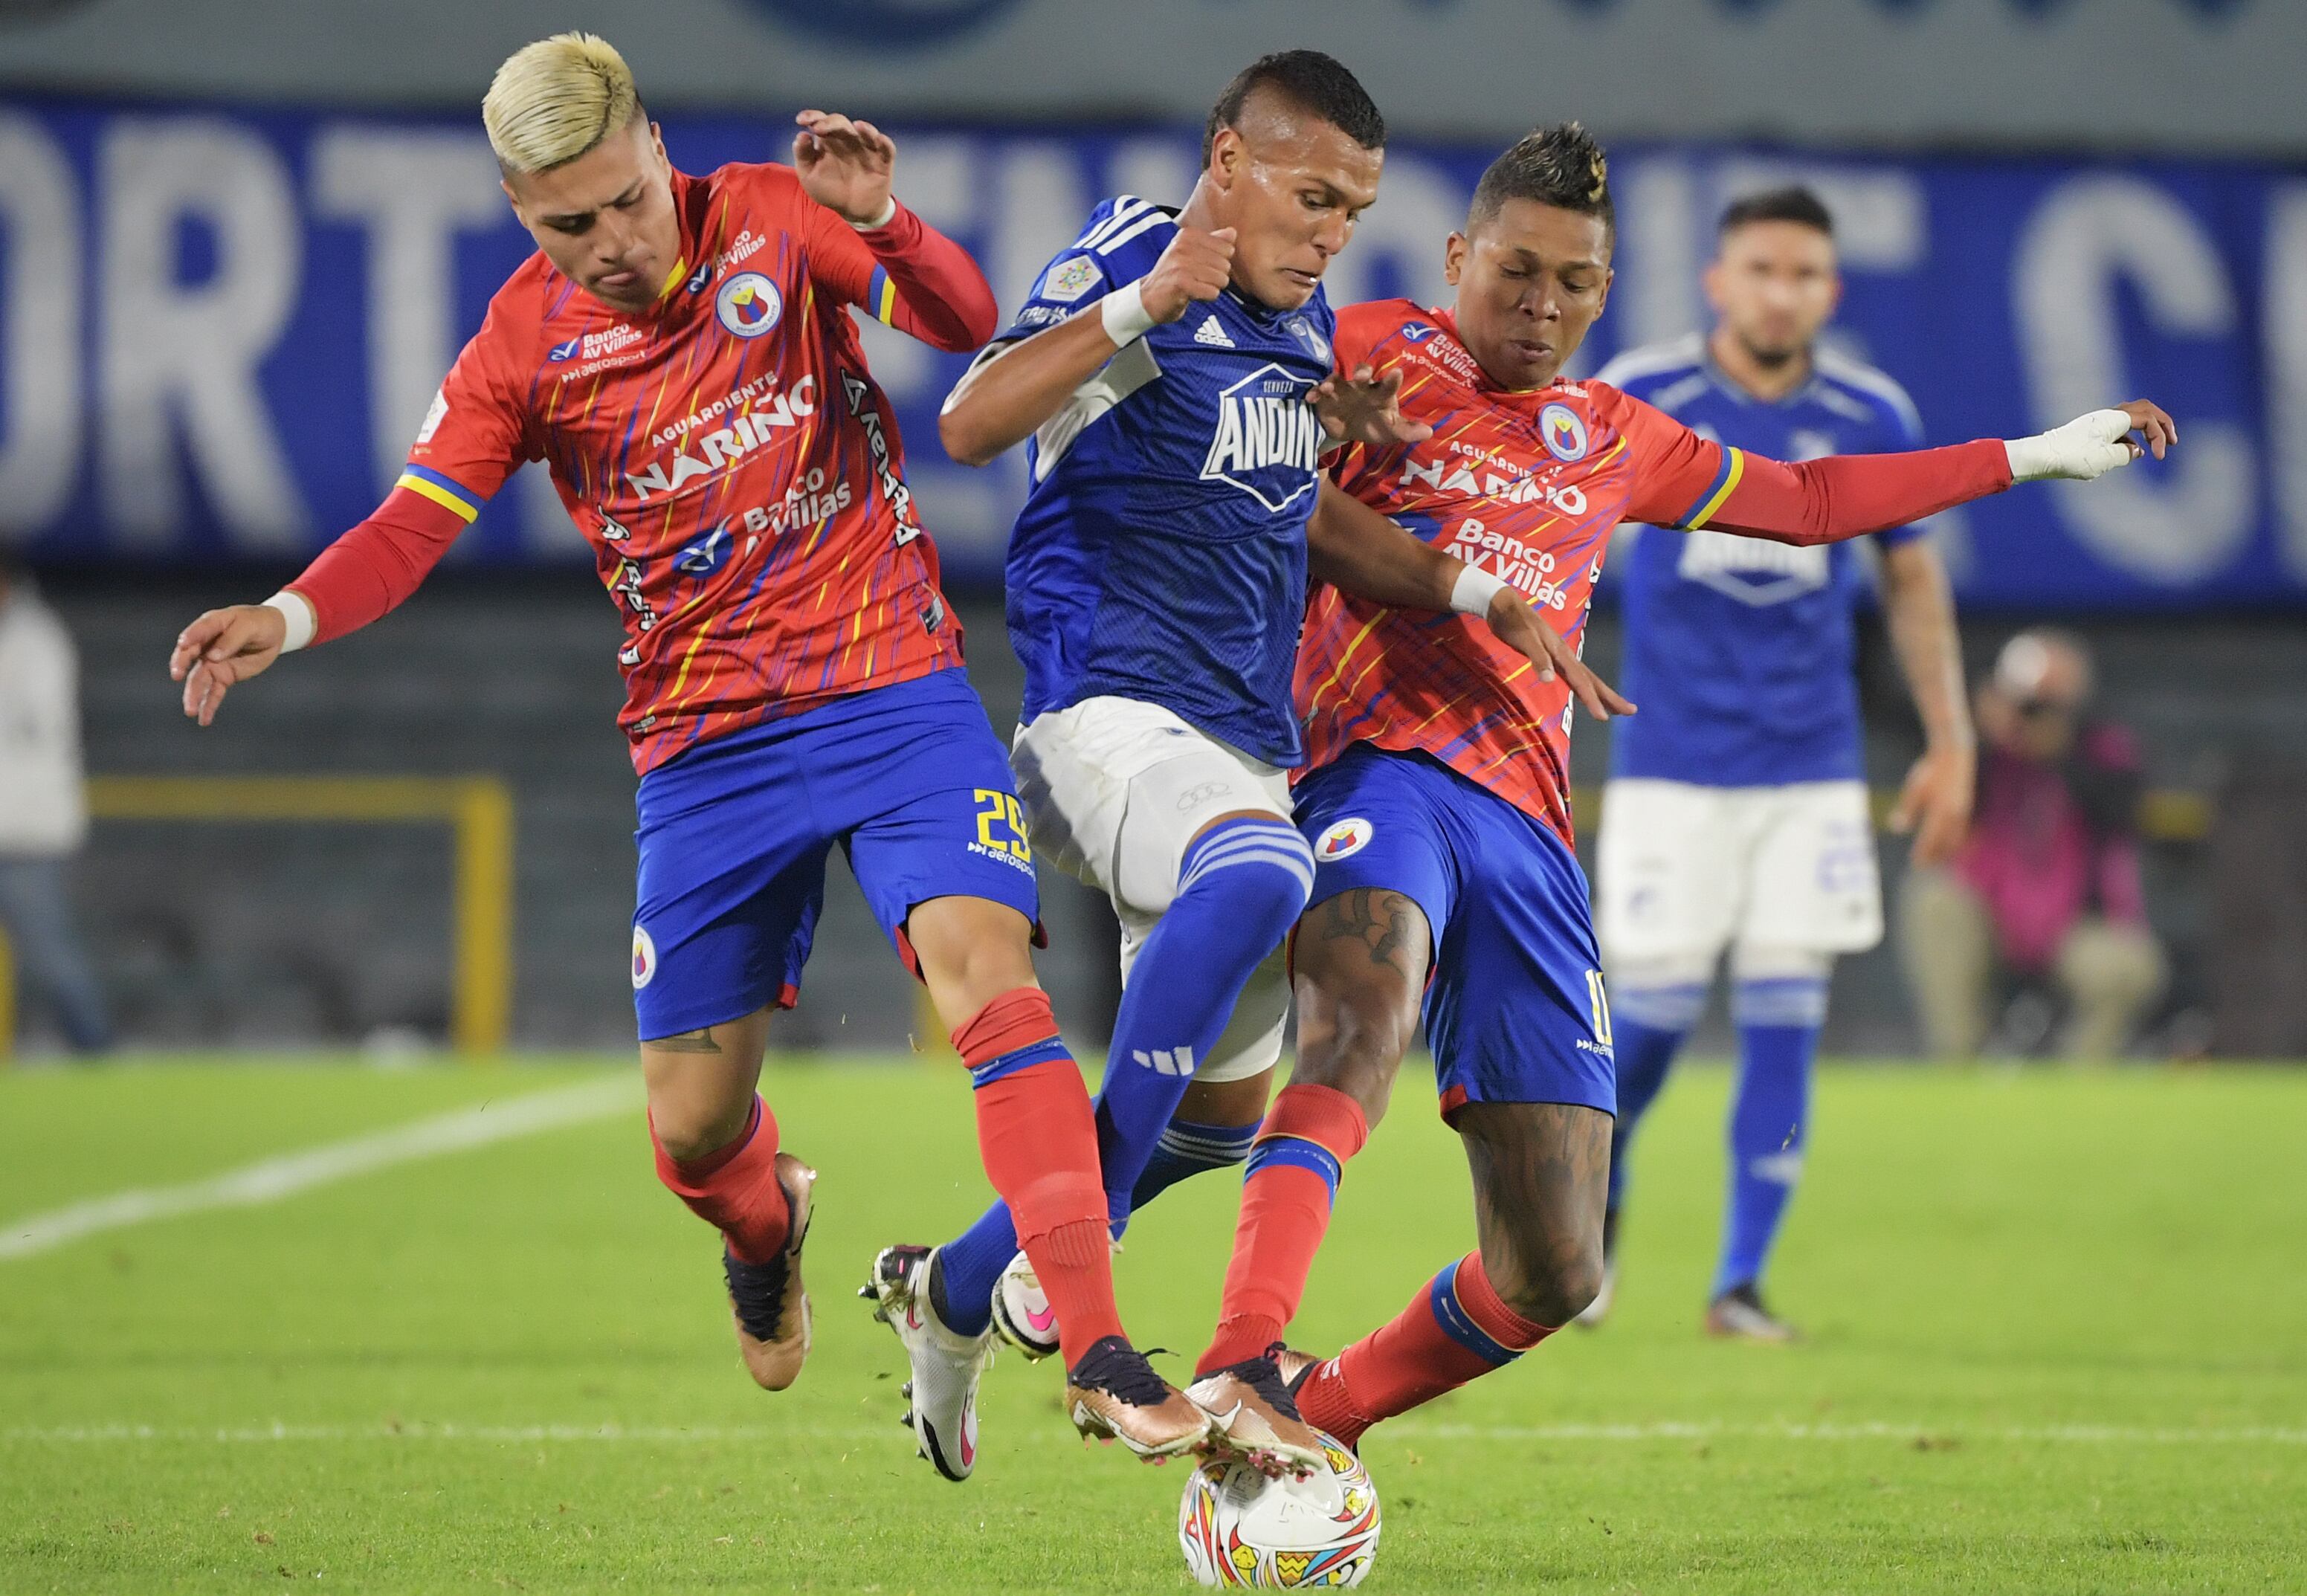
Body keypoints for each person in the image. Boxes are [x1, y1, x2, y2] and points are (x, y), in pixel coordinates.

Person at [165, 31, 1217, 1463]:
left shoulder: (771, 222)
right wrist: (282, 618)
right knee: (692, 1139)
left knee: (992, 981)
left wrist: (880, 222)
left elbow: (964, 321)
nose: (608, 242)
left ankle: (1092, 1348)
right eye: (565, 223)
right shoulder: (522, 346)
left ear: (657, 148)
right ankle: (767, 1222)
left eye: (623, 201)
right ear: (517, 210)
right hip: (705, 751)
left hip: (889, 685)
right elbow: (415, 527)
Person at [1150, 123, 2169, 1456]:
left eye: (1575, 284)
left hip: (1523, 823)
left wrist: (2027, 455)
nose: (1541, 306)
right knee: (1360, 1007)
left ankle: (1308, 1417)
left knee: (1553, 1270)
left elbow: (1808, 500)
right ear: (1458, 254)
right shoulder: (1366, 349)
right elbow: (1235, 456)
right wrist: (1316, 433)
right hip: (1372, 761)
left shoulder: (1613, 434)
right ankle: (1237, 1358)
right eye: (1515, 271)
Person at [866, 52, 1599, 1482]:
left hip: (1238, 757)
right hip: (1104, 724)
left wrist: (1461, 589)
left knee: (1215, 1122)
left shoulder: (1299, 321)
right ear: (1225, 159)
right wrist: (1146, 302)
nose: (1330, 232)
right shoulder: (1141, 245)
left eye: (1352, 209)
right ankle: (1081, 1300)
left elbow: (1293, 513)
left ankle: (952, 1286)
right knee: (1268, 872)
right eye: (1310, 195)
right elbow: (966, 420)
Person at [1584, 186, 1974, 1341]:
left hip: (1808, 767)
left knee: (1784, 1018)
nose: (1779, 291)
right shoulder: (1642, 393)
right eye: (1759, 268)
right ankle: (1591, 1210)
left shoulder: (1867, 408)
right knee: (1645, 1024)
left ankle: (1737, 1284)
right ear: (1716, 281)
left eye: (1802, 273)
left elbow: (1910, 577)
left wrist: (1950, 739)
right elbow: (1553, 534)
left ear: (1828, 291)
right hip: (1667, 763)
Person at [1901, 630, 2164, 1060]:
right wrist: (1972, 734)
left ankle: (2075, 1081)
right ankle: (1959, 1061)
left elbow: (2120, 808)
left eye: (2045, 702)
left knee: (2130, 968)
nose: (2033, 713)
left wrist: (2058, 752)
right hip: (1995, 915)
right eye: (2025, 701)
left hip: (2074, 926)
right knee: (1933, 900)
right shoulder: (1985, 752)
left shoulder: (2102, 746)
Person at [0, 553, 112, 1056]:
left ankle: (95, 1051)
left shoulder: (37, 639)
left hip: (25, 827)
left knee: (50, 955)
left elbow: (39, 727)